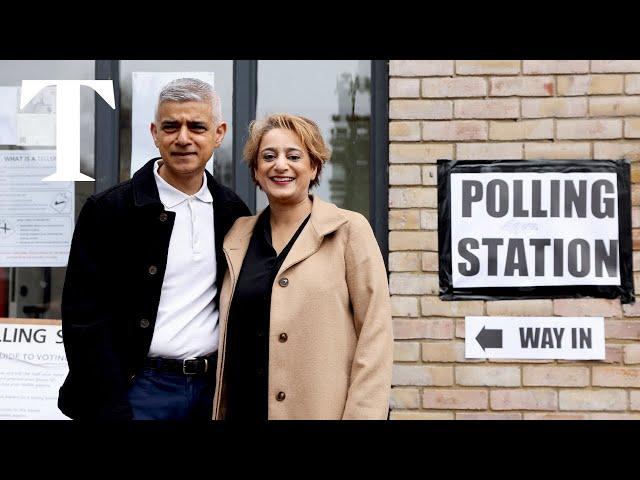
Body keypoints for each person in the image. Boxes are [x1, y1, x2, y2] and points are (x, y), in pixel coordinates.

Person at [58, 78, 250, 420]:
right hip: (138, 391)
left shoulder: (232, 211)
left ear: (219, 133)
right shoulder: (109, 210)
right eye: (171, 126)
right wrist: (113, 404)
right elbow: (82, 320)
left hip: (212, 391)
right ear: (154, 132)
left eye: (197, 126)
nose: (183, 138)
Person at [212, 113, 393, 420]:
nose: (280, 165)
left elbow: (376, 335)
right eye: (268, 156)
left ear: (314, 166)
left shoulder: (349, 230)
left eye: (294, 156)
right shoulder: (236, 236)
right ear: (256, 171)